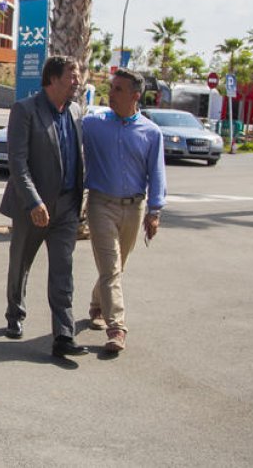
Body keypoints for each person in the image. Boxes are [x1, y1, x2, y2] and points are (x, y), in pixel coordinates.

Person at [0, 55, 87, 359]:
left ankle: (63, 334)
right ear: (53, 78)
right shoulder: (25, 110)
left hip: (66, 206)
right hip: (31, 206)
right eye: (72, 74)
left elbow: (77, 156)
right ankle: (15, 313)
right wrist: (34, 200)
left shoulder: (76, 111)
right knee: (21, 263)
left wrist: (80, 198)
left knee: (63, 269)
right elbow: (18, 162)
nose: (77, 80)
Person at [80, 68, 166, 354]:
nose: (111, 94)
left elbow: (156, 173)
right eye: (111, 87)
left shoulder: (152, 133)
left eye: (118, 89)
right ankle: (117, 327)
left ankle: (97, 304)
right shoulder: (93, 124)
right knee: (111, 267)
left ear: (135, 96)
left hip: (134, 207)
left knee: (116, 267)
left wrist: (155, 211)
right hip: (100, 205)